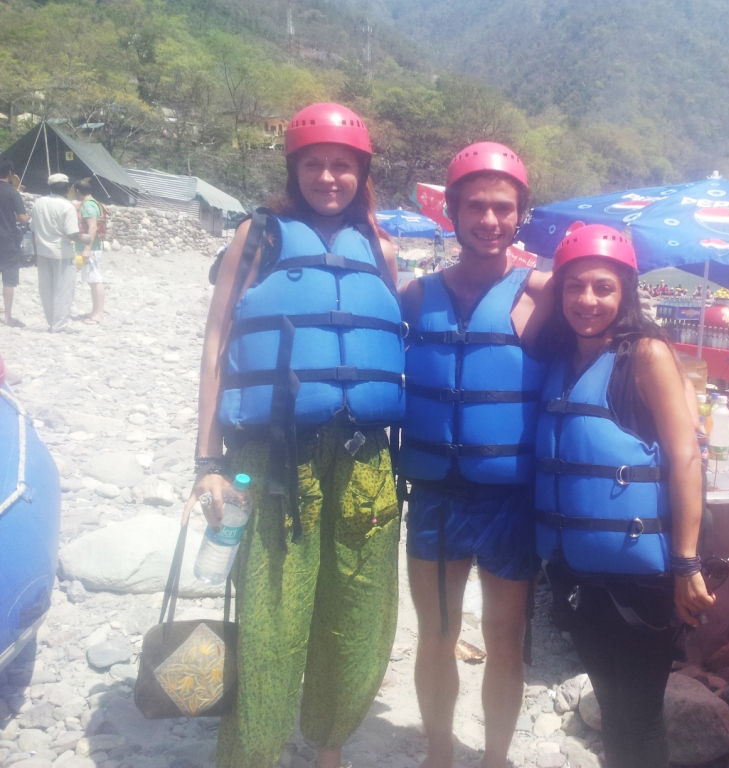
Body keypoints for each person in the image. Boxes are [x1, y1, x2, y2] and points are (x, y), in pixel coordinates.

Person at [184, 102, 405, 768]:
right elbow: (217, 342)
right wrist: (206, 460)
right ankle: (254, 752)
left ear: (361, 173)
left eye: (343, 165)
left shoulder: (382, 250)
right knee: (272, 617)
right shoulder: (258, 238)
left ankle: (328, 744)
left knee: (359, 618)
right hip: (274, 457)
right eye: (315, 164)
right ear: (294, 168)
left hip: (366, 461)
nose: (329, 177)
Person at [535, 223, 714, 768]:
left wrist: (687, 563)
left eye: (604, 287)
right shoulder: (563, 358)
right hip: (578, 574)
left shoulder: (647, 355)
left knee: (638, 714)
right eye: (574, 286)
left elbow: (685, 458)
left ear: (627, 293)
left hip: (641, 579)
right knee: (612, 711)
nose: (587, 300)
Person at [398, 141, 553, 768]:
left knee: (504, 639)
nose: (489, 221)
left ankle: (493, 758)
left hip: (508, 500)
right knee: (435, 638)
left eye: (503, 208)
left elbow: (623, 339)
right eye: (476, 207)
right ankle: (439, 754)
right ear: (451, 212)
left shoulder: (542, 295)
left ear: (521, 216)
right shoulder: (414, 296)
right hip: (434, 494)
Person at [30, 173, 85, 332]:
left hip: (42, 251)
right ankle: (59, 325)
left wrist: (34, 252)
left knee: (46, 289)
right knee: (63, 289)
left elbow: (33, 230)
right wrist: (84, 239)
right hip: (62, 253)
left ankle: (50, 322)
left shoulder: (39, 203)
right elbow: (71, 234)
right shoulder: (67, 206)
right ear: (68, 189)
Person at [0, 160, 28, 327]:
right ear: (10, 174)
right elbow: (22, 218)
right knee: (9, 278)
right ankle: (8, 316)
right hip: (8, 239)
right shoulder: (12, 193)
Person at [73, 180, 105, 323]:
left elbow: (92, 227)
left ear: (78, 191)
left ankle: (99, 313)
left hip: (90, 248)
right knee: (91, 280)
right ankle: (95, 311)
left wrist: (87, 248)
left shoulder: (88, 206)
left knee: (95, 280)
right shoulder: (93, 203)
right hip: (91, 247)